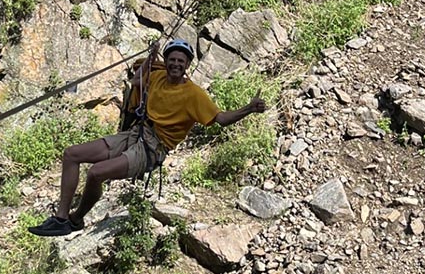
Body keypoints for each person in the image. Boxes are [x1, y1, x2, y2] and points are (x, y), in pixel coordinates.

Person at [28, 38, 267, 236]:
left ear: (187, 66)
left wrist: (248, 108)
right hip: (136, 133)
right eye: (171, 59)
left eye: (180, 61)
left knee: (95, 173)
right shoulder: (158, 76)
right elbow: (136, 82)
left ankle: (76, 218)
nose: (175, 64)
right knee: (72, 154)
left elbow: (220, 119)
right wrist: (152, 58)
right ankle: (61, 219)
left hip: (152, 148)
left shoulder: (194, 94)